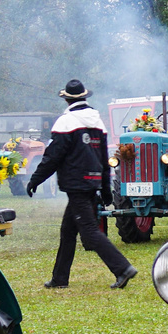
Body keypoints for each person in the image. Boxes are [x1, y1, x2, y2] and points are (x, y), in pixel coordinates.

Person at [27, 80, 137, 289]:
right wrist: (106, 190)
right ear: (85, 98)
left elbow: (53, 157)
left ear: (67, 99)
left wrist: (35, 179)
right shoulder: (98, 123)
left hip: (76, 184)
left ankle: (122, 268)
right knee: (68, 231)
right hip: (92, 181)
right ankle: (60, 278)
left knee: (88, 231)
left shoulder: (65, 122)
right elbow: (104, 160)